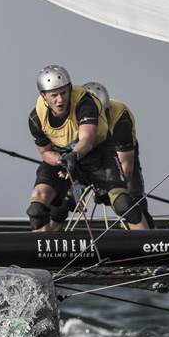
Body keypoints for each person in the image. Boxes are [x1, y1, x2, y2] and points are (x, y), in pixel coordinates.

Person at [26, 65, 149, 232]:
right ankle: (45, 251)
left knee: (123, 203)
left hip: (97, 153)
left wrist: (95, 185)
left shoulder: (86, 103)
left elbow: (88, 139)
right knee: (38, 205)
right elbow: (45, 152)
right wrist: (61, 161)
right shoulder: (36, 118)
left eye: (63, 93)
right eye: (54, 95)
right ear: (44, 96)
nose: (60, 100)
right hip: (63, 155)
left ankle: (148, 246)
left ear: (70, 89)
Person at [82, 81, 155, 228]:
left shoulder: (120, 118)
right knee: (61, 201)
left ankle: (150, 241)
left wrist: (107, 188)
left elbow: (126, 168)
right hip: (89, 153)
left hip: (118, 152)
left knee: (132, 202)